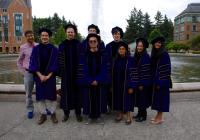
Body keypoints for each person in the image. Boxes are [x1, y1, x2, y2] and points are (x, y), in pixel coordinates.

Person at [77, 34, 110, 124]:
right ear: (88, 43)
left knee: (99, 98)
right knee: (89, 98)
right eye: (91, 41)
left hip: (100, 82)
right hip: (88, 82)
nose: (93, 43)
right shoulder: (84, 55)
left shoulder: (103, 55)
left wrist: (97, 80)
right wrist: (90, 80)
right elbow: (83, 69)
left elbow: (105, 69)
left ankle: (98, 116)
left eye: (94, 41)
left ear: (98, 42)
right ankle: (90, 116)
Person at [29, 28, 58, 125]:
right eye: (43, 36)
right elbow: (32, 63)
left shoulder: (54, 49)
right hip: (39, 77)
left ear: (49, 37)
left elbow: (55, 63)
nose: (44, 37)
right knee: (40, 96)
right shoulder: (36, 49)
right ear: (40, 37)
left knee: (52, 95)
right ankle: (43, 114)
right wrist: (40, 76)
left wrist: (48, 76)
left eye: (46, 35)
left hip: (51, 76)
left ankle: (53, 113)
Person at [58, 24, 82, 122]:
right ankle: (66, 114)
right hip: (66, 74)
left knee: (77, 94)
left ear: (74, 33)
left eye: (72, 32)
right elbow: (59, 60)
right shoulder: (62, 45)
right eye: (68, 32)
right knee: (66, 94)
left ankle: (78, 113)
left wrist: (81, 73)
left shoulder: (79, 44)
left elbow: (82, 59)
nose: (70, 33)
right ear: (66, 33)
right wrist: (61, 73)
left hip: (77, 74)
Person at [112, 42, 136, 125]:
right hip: (117, 84)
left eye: (123, 49)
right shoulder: (115, 60)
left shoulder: (131, 60)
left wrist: (131, 86)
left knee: (128, 100)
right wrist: (112, 85)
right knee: (118, 99)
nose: (121, 50)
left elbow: (134, 74)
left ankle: (128, 116)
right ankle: (120, 114)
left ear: (126, 50)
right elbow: (112, 74)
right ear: (118, 50)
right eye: (120, 49)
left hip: (127, 84)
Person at [150, 36, 172, 124]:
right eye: (156, 42)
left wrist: (160, 82)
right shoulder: (156, 54)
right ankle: (158, 116)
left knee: (161, 99)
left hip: (162, 82)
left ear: (162, 44)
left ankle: (159, 118)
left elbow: (166, 70)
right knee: (158, 99)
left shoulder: (164, 54)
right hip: (156, 81)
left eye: (159, 42)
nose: (157, 44)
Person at [17, 30, 37, 119]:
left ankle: (44, 108)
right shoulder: (23, 47)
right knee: (28, 93)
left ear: (33, 36)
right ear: (26, 37)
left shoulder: (38, 46)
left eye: (31, 35)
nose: (30, 37)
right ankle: (30, 110)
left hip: (38, 73)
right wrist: (23, 72)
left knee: (41, 91)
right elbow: (19, 61)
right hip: (28, 72)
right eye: (28, 36)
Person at [105, 26, 124, 113]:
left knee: (121, 89)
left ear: (120, 35)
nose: (117, 35)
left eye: (118, 34)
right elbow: (106, 59)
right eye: (115, 34)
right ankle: (110, 106)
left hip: (122, 71)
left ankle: (122, 107)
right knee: (110, 90)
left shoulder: (124, 45)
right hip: (111, 71)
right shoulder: (108, 46)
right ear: (113, 35)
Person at [133, 38, 152, 122]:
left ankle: (143, 115)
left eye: (141, 46)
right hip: (137, 82)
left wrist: (141, 84)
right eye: (138, 46)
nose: (139, 47)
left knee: (143, 99)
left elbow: (146, 72)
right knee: (138, 98)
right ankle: (139, 114)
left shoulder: (146, 57)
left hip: (143, 83)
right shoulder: (137, 55)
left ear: (144, 47)